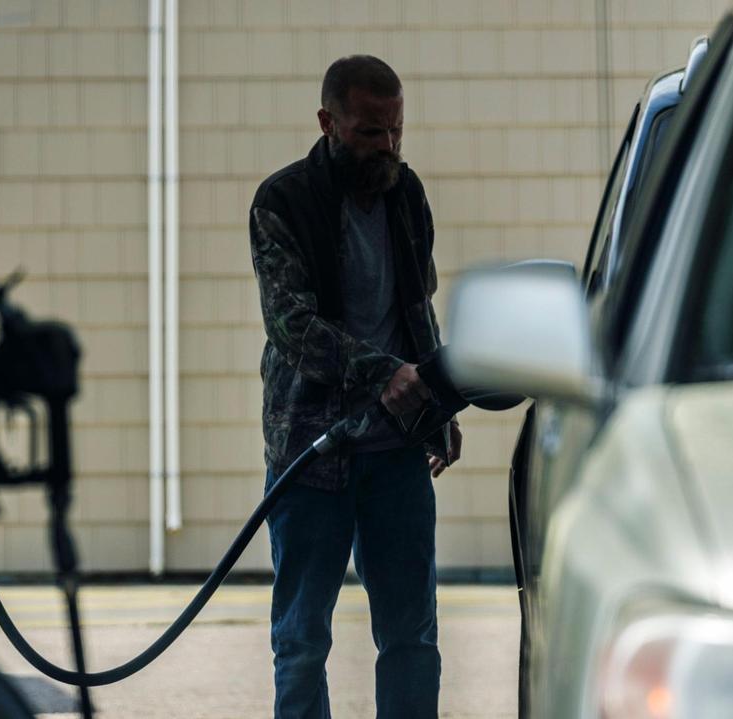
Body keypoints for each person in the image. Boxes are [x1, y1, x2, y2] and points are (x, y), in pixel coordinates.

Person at [248, 54, 463, 719]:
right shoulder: (282, 202)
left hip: (395, 452)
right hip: (310, 455)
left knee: (411, 635)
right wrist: (385, 373)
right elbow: (293, 326)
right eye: (371, 131)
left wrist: (438, 402)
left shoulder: (407, 193)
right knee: (301, 640)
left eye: (397, 129)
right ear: (328, 122)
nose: (388, 146)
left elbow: (416, 307)